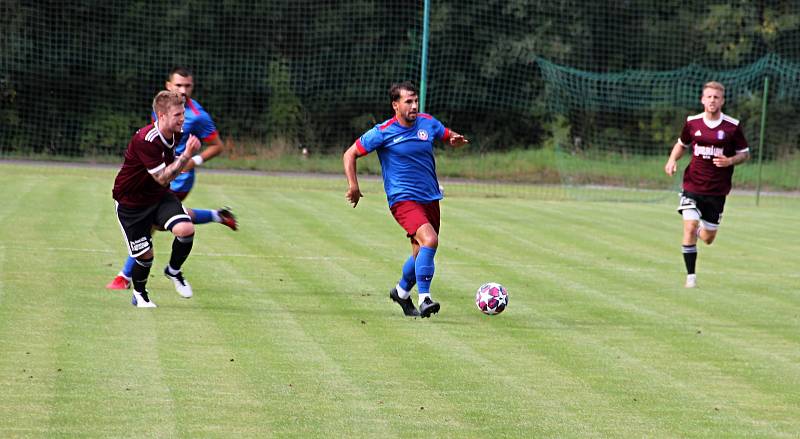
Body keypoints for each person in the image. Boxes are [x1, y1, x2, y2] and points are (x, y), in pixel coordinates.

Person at [343, 81, 468, 318]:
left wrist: (453, 138)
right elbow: (350, 154)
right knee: (430, 241)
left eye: (415, 100)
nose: (413, 106)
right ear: (395, 105)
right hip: (403, 200)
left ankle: (400, 292)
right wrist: (354, 185)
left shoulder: (427, 123)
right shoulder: (382, 132)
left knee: (420, 253)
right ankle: (425, 298)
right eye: (408, 101)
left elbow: (445, 133)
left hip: (430, 198)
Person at [107, 66, 237, 291]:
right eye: (178, 85)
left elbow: (217, 146)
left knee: (155, 223)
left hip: (179, 179)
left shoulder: (198, 116)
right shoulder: (165, 107)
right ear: (169, 86)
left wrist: (192, 161)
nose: (183, 90)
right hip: (160, 174)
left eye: (187, 86)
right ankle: (217, 215)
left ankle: (125, 277)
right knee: (171, 220)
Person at [112, 90, 200, 307]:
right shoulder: (146, 140)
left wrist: (183, 160)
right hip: (131, 204)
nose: (183, 119)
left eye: (183, 113)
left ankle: (173, 270)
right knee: (145, 257)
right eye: (178, 114)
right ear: (161, 116)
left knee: (185, 229)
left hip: (159, 197)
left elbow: (169, 169)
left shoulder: (175, 134)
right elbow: (162, 177)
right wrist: (187, 157)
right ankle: (140, 295)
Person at [664, 81, 750, 288]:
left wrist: (729, 161)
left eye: (716, 97)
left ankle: (701, 230)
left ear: (722, 101)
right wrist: (672, 159)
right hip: (692, 185)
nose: (712, 100)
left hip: (717, 191)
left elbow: (745, 154)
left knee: (708, 238)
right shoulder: (692, 123)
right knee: (690, 226)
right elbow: (681, 144)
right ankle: (690, 277)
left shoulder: (732, 126)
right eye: (709, 97)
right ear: (703, 100)